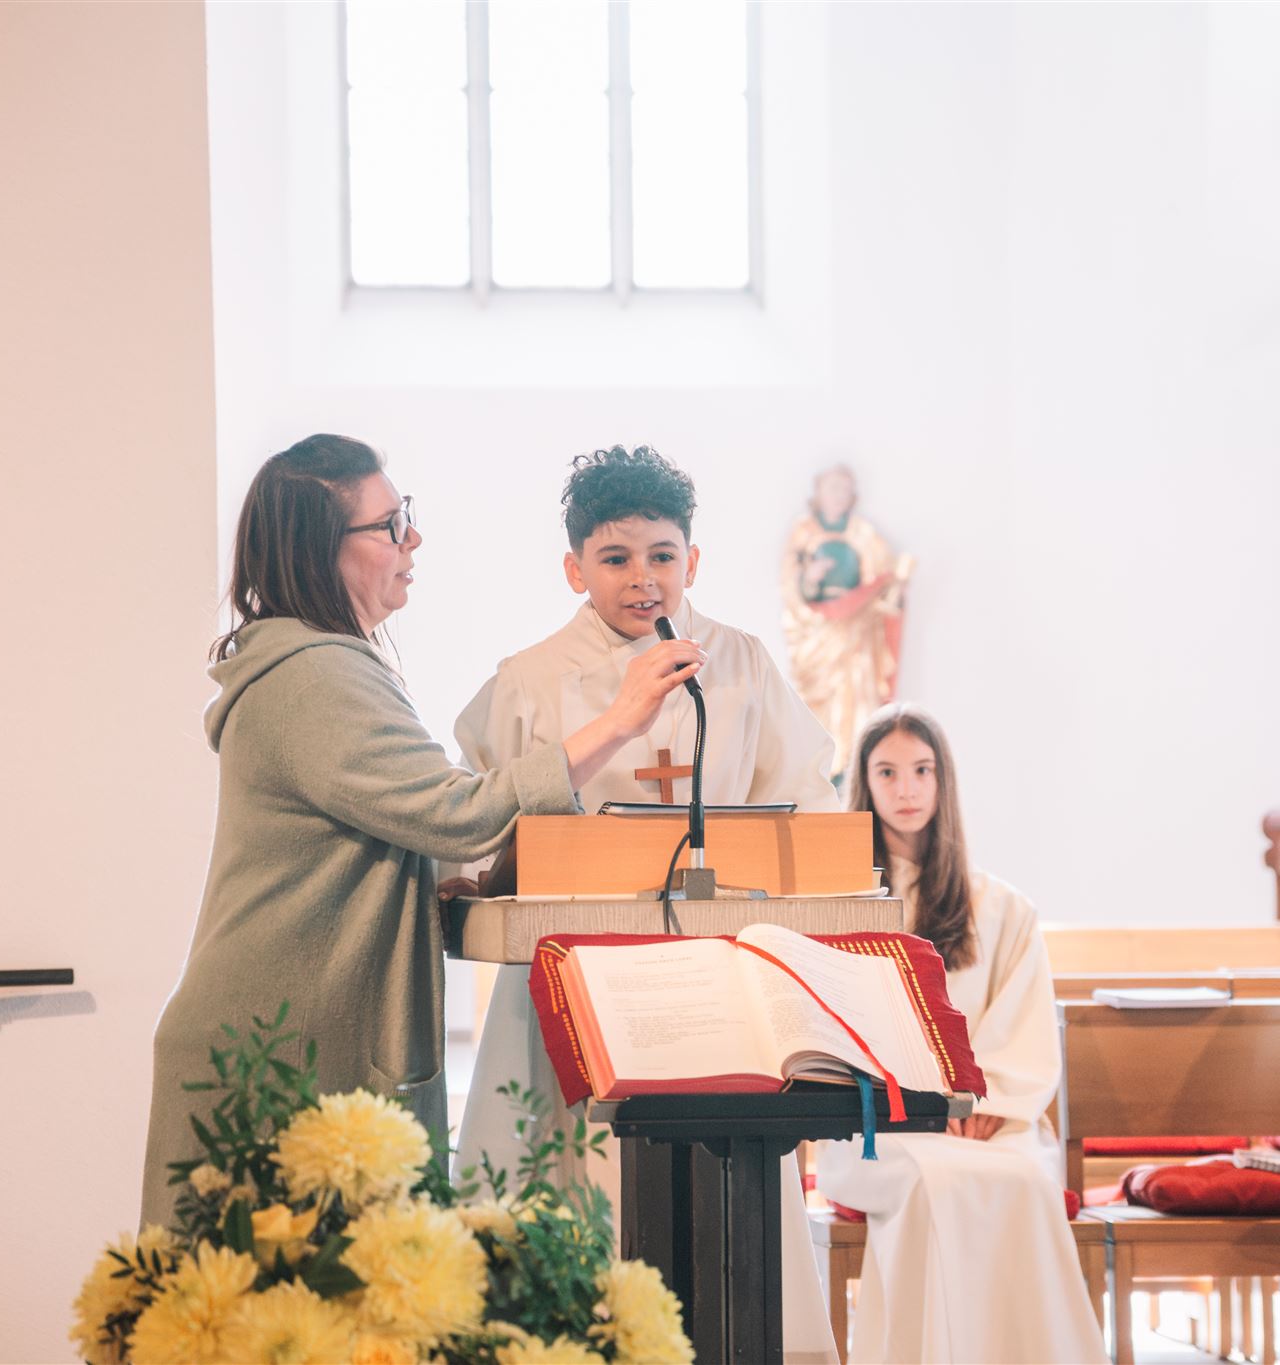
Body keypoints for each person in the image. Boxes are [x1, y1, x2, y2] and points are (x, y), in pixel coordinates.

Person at [139, 435, 703, 1227]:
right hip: (279, 1046)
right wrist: (618, 722)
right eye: (391, 524)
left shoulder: (328, 662)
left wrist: (455, 879)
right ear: (321, 548)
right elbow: (455, 811)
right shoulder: (313, 675)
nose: (414, 540)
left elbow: (396, 825)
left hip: (291, 1032)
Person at [452, 444, 841, 1364]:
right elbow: (472, 817)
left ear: (692, 560)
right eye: (616, 557)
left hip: (716, 982)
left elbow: (807, 808)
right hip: (572, 977)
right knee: (567, 1210)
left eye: (662, 555)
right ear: (575, 568)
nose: (643, 578)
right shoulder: (530, 679)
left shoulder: (741, 664)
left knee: (722, 1237)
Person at [814, 704, 1106, 1365]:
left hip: (986, 1125)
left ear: (944, 779)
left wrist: (982, 1101)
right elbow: (831, 1025)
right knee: (930, 1183)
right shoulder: (839, 902)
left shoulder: (1000, 908)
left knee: (1026, 1181)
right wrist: (922, 1106)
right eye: (888, 772)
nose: (907, 789)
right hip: (875, 1129)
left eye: (922, 770)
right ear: (864, 782)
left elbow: (1022, 1023)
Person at [779, 464, 911, 778]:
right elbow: (791, 586)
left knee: (856, 707)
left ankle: (850, 774)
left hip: (856, 634)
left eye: (845, 489)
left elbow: (883, 581)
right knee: (817, 713)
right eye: (832, 488)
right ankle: (822, 774)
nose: (838, 495)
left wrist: (896, 584)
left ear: (853, 496)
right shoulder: (804, 533)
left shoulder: (864, 534)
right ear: (818, 493)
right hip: (818, 636)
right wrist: (811, 579)